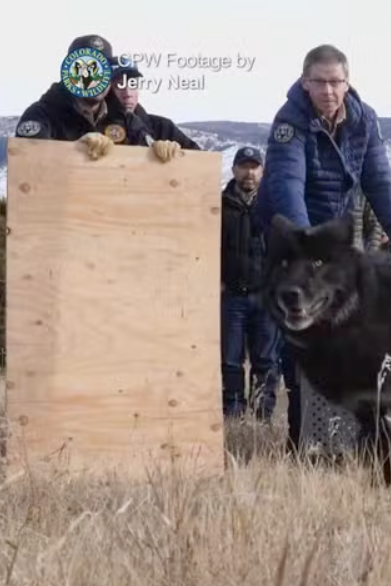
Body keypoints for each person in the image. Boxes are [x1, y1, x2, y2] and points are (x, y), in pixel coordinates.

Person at [253, 43, 391, 452]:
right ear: (305, 82)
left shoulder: (364, 121)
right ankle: (300, 440)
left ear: (348, 83)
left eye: (336, 82)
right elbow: (288, 185)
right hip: (291, 238)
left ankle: (353, 438)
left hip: (334, 240)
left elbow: (380, 184)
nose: (328, 91)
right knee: (301, 332)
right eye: (320, 82)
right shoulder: (288, 123)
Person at [14, 34, 180, 163]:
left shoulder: (125, 118)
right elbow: (28, 162)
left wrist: (160, 154)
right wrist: (73, 150)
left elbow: (144, 162)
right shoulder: (42, 114)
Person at [220, 146, 282, 421]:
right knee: (230, 360)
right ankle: (232, 416)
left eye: (254, 167)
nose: (249, 173)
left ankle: (262, 417)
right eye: (243, 166)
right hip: (231, 296)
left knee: (266, 361)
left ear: (262, 171)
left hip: (266, 297)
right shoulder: (218, 206)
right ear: (234, 170)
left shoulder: (274, 207)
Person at [110, 59, 202, 150]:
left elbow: (203, 161)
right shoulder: (97, 129)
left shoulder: (163, 128)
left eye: (133, 85)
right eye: (119, 85)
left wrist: (177, 157)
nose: (128, 94)